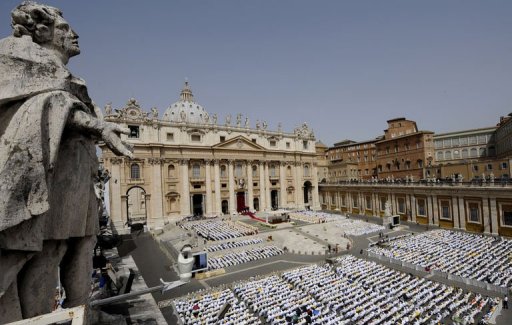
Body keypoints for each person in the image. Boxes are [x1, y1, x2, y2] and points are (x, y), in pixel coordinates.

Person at [0, 2, 132, 322]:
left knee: (82, 249)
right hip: (54, 178)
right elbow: (51, 104)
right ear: (42, 31)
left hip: (77, 175)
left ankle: (84, 314)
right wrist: (97, 126)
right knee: (51, 250)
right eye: (64, 28)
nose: (74, 34)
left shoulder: (69, 76)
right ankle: (41, 319)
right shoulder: (19, 58)